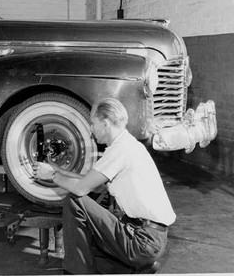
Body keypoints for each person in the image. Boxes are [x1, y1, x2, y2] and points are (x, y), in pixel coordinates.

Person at [33, 98, 176, 274]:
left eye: (93, 123)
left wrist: (52, 175)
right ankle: (138, 268)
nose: (91, 129)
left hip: (142, 240)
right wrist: (58, 169)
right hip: (149, 237)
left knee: (74, 201)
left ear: (106, 123)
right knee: (91, 247)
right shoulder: (127, 146)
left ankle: (76, 273)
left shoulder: (120, 150)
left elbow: (81, 188)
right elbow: (92, 182)